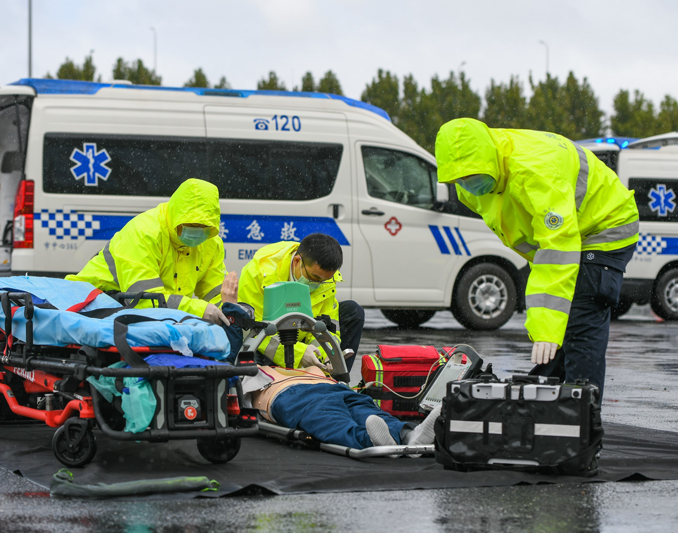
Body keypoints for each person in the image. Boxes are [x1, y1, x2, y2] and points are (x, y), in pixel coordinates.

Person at [435, 118, 639, 399]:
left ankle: (581, 414)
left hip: (605, 227)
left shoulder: (536, 171)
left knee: (581, 319)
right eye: (460, 179)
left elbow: (558, 245)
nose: (467, 184)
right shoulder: (471, 181)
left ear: (491, 157)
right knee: (562, 331)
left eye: (473, 175)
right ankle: (545, 406)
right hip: (571, 232)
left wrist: (545, 328)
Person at [67, 178, 232, 326]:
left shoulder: (211, 242)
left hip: (137, 316)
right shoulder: (142, 234)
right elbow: (144, 300)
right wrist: (199, 309)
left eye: (204, 227)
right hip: (90, 307)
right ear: (176, 216)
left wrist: (231, 310)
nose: (197, 232)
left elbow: (215, 293)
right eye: (189, 225)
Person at [238, 233, 365, 371]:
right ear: (297, 261)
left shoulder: (326, 279)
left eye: (322, 281)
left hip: (303, 335)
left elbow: (326, 325)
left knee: (353, 311)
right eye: (313, 278)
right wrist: (299, 353)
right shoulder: (259, 273)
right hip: (269, 340)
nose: (317, 284)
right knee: (250, 365)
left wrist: (327, 355)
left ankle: (335, 377)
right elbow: (255, 330)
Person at [243, 364, 439, 451]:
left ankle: (407, 434)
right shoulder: (246, 366)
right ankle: (369, 440)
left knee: (365, 409)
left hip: (330, 385)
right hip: (289, 393)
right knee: (331, 419)